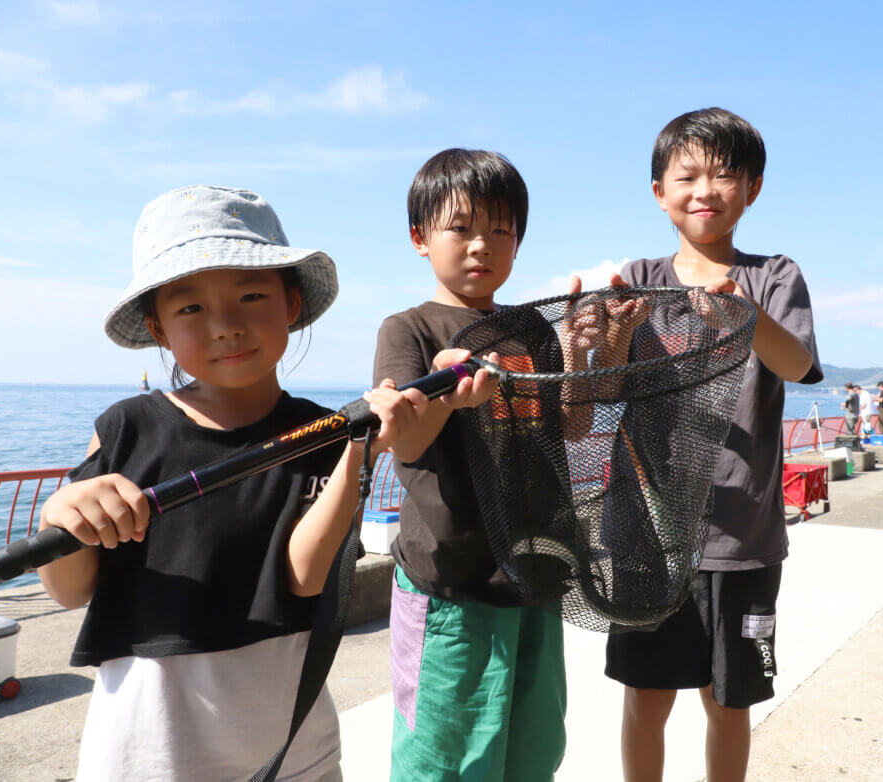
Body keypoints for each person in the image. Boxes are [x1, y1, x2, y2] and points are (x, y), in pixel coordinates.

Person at [37, 185, 442, 781]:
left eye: (252, 295)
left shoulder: (325, 430)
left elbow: (303, 579)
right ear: (158, 326)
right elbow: (68, 590)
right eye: (191, 308)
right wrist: (60, 515)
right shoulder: (128, 427)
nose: (226, 325)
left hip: (293, 744)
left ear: (291, 305)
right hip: (148, 749)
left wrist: (362, 451)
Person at [374, 148, 610, 781]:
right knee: (446, 762)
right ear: (420, 238)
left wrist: (580, 358)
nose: (481, 244)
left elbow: (572, 425)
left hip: (535, 576)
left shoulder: (532, 329)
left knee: (531, 754)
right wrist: (447, 392)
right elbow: (405, 440)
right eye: (461, 227)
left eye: (501, 231)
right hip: (451, 585)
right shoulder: (409, 330)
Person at [603, 108, 823, 782]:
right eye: (687, 175)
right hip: (647, 537)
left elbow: (794, 364)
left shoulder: (774, 276)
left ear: (752, 189)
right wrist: (610, 331)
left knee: (729, 700)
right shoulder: (639, 275)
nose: (705, 189)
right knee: (646, 697)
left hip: (742, 542)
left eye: (725, 175)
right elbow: (608, 387)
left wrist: (742, 316)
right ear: (658, 192)